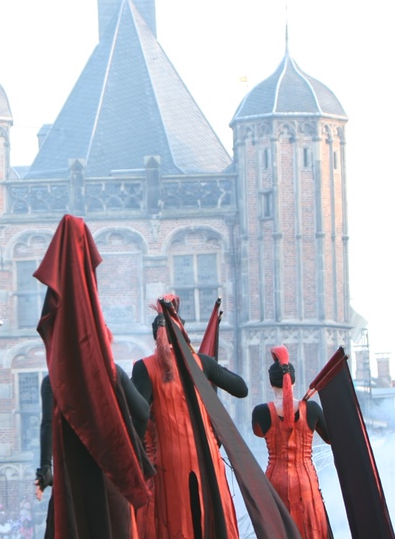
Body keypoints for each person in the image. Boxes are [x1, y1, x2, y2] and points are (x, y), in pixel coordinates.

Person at [32, 214, 154, 539]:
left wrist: (45, 471)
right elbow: (142, 411)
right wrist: (126, 448)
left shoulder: (53, 383)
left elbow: (47, 425)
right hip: (111, 479)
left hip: (71, 492)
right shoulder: (110, 376)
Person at [130, 295, 248, 539]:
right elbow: (241, 388)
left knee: (179, 521)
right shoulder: (201, 363)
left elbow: (138, 413)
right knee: (209, 518)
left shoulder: (145, 367)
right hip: (207, 456)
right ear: (182, 333)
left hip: (169, 459)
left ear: (156, 336)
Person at [252, 345, 332, 539]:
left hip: (275, 483)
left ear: (271, 384)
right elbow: (330, 438)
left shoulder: (261, 412)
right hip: (306, 483)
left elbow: (258, 433)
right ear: (293, 382)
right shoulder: (311, 408)